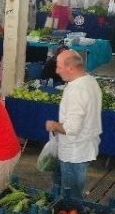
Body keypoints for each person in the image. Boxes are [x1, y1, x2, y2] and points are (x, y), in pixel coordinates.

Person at [44, 50, 103, 200]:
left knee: (71, 198)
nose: (56, 71)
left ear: (70, 67)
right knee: (67, 190)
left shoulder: (77, 90)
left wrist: (53, 125)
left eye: (59, 67)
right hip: (84, 147)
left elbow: (72, 128)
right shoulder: (90, 81)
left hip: (74, 153)